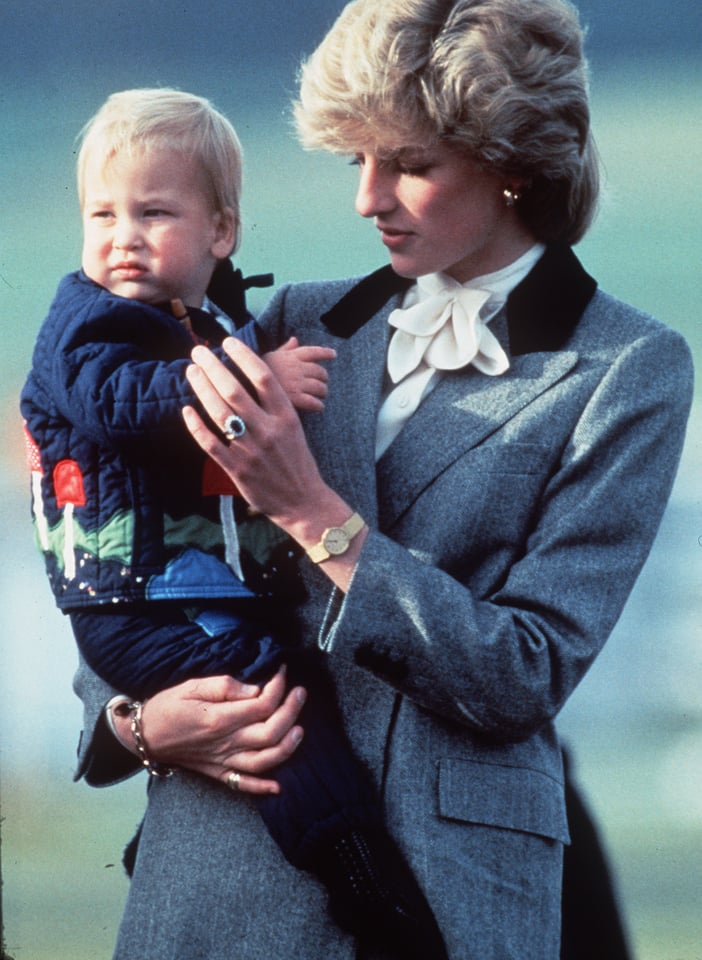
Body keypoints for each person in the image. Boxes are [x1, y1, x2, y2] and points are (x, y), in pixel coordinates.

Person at [70, 0, 693, 960]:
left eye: (406, 162)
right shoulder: (285, 321)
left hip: (449, 896)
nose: (367, 198)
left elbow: (526, 671)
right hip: (214, 877)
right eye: (355, 157)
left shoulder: (630, 368)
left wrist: (315, 511)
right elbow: (127, 548)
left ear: (513, 163)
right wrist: (138, 720)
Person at [21, 87, 448, 959]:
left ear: (221, 232)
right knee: (272, 703)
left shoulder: (205, 318)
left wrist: (236, 349)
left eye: (153, 212)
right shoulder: (88, 322)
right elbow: (121, 402)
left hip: (184, 587)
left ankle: (337, 844)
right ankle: (354, 864)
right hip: (136, 601)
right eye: (101, 214)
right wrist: (252, 377)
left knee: (284, 686)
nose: (122, 236)